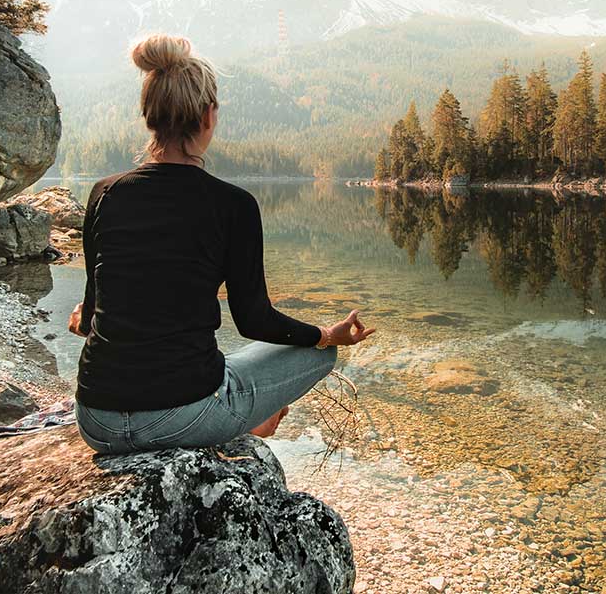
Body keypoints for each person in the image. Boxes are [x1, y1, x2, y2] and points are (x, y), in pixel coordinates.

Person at [67, 33, 375, 454]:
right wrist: (326, 334)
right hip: (182, 417)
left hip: (95, 420)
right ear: (209, 116)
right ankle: (244, 421)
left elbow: (90, 313)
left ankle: (235, 414)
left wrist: (86, 322)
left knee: (214, 363)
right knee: (318, 354)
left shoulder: (103, 193)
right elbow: (254, 321)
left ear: (148, 115)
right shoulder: (234, 205)